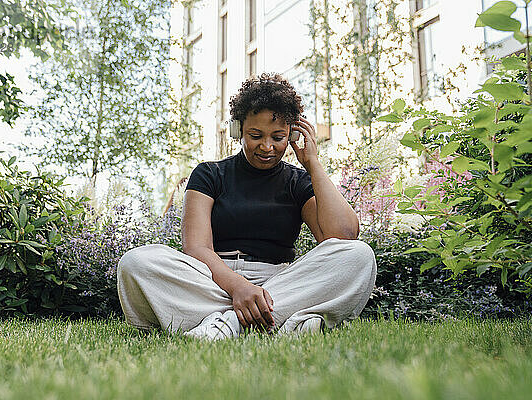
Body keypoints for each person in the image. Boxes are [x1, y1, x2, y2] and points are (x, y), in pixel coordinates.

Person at [117, 73, 377, 340]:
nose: (267, 147)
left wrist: (313, 164)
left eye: (278, 137)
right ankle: (282, 322)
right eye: (256, 135)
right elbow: (196, 248)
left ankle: (228, 323)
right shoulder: (209, 174)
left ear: (292, 135)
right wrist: (238, 287)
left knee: (358, 255)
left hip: (278, 283)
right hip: (214, 279)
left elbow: (343, 235)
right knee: (136, 262)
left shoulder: (298, 181)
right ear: (238, 130)